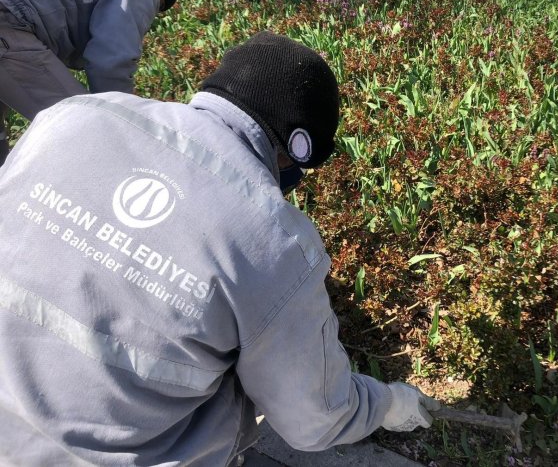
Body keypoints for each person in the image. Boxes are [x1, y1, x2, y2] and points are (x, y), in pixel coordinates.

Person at [0, 31, 440, 465]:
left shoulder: (72, 114)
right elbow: (315, 421)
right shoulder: (274, 240)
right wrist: (387, 402)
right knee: (245, 362)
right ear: (292, 152)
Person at [0, 0, 184, 164]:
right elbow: (110, 63)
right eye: (157, 8)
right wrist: (123, 129)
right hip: (7, 10)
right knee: (85, 127)